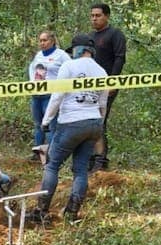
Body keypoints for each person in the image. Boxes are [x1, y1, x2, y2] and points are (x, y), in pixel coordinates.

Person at [30, 34, 108, 224]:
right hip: (94, 122)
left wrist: (46, 120)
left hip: (71, 121)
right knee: (80, 169)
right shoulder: (102, 72)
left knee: (52, 164)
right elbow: (103, 104)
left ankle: (41, 210)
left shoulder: (69, 66)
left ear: (78, 50)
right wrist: (98, 124)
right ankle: (72, 213)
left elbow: (57, 96)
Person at [89, 2, 127, 171]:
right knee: (89, 120)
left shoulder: (115, 34)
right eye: (92, 16)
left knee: (100, 121)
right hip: (90, 87)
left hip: (107, 85)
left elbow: (120, 58)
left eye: (98, 15)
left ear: (107, 16)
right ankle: (90, 158)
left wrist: (113, 82)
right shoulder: (91, 37)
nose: (94, 19)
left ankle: (101, 160)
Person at [27, 30, 70, 160]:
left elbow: (70, 68)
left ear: (52, 41)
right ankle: (38, 152)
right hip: (36, 94)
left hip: (50, 95)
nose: (42, 43)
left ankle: (52, 153)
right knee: (38, 124)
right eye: (40, 40)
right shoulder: (38, 55)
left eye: (45, 40)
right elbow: (32, 69)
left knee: (50, 125)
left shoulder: (61, 55)